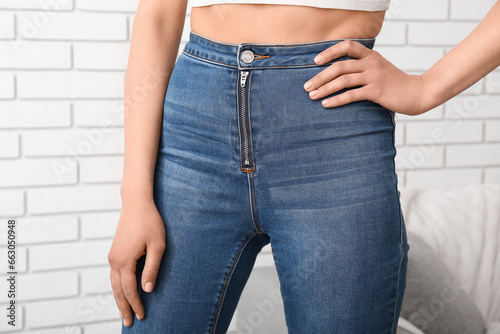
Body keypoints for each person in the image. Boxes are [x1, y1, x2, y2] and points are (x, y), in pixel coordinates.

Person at [107, 0, 500, 332]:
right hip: (193, 139)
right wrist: (135, 195)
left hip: (334, 137)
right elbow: (157, 18)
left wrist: (424, 89)